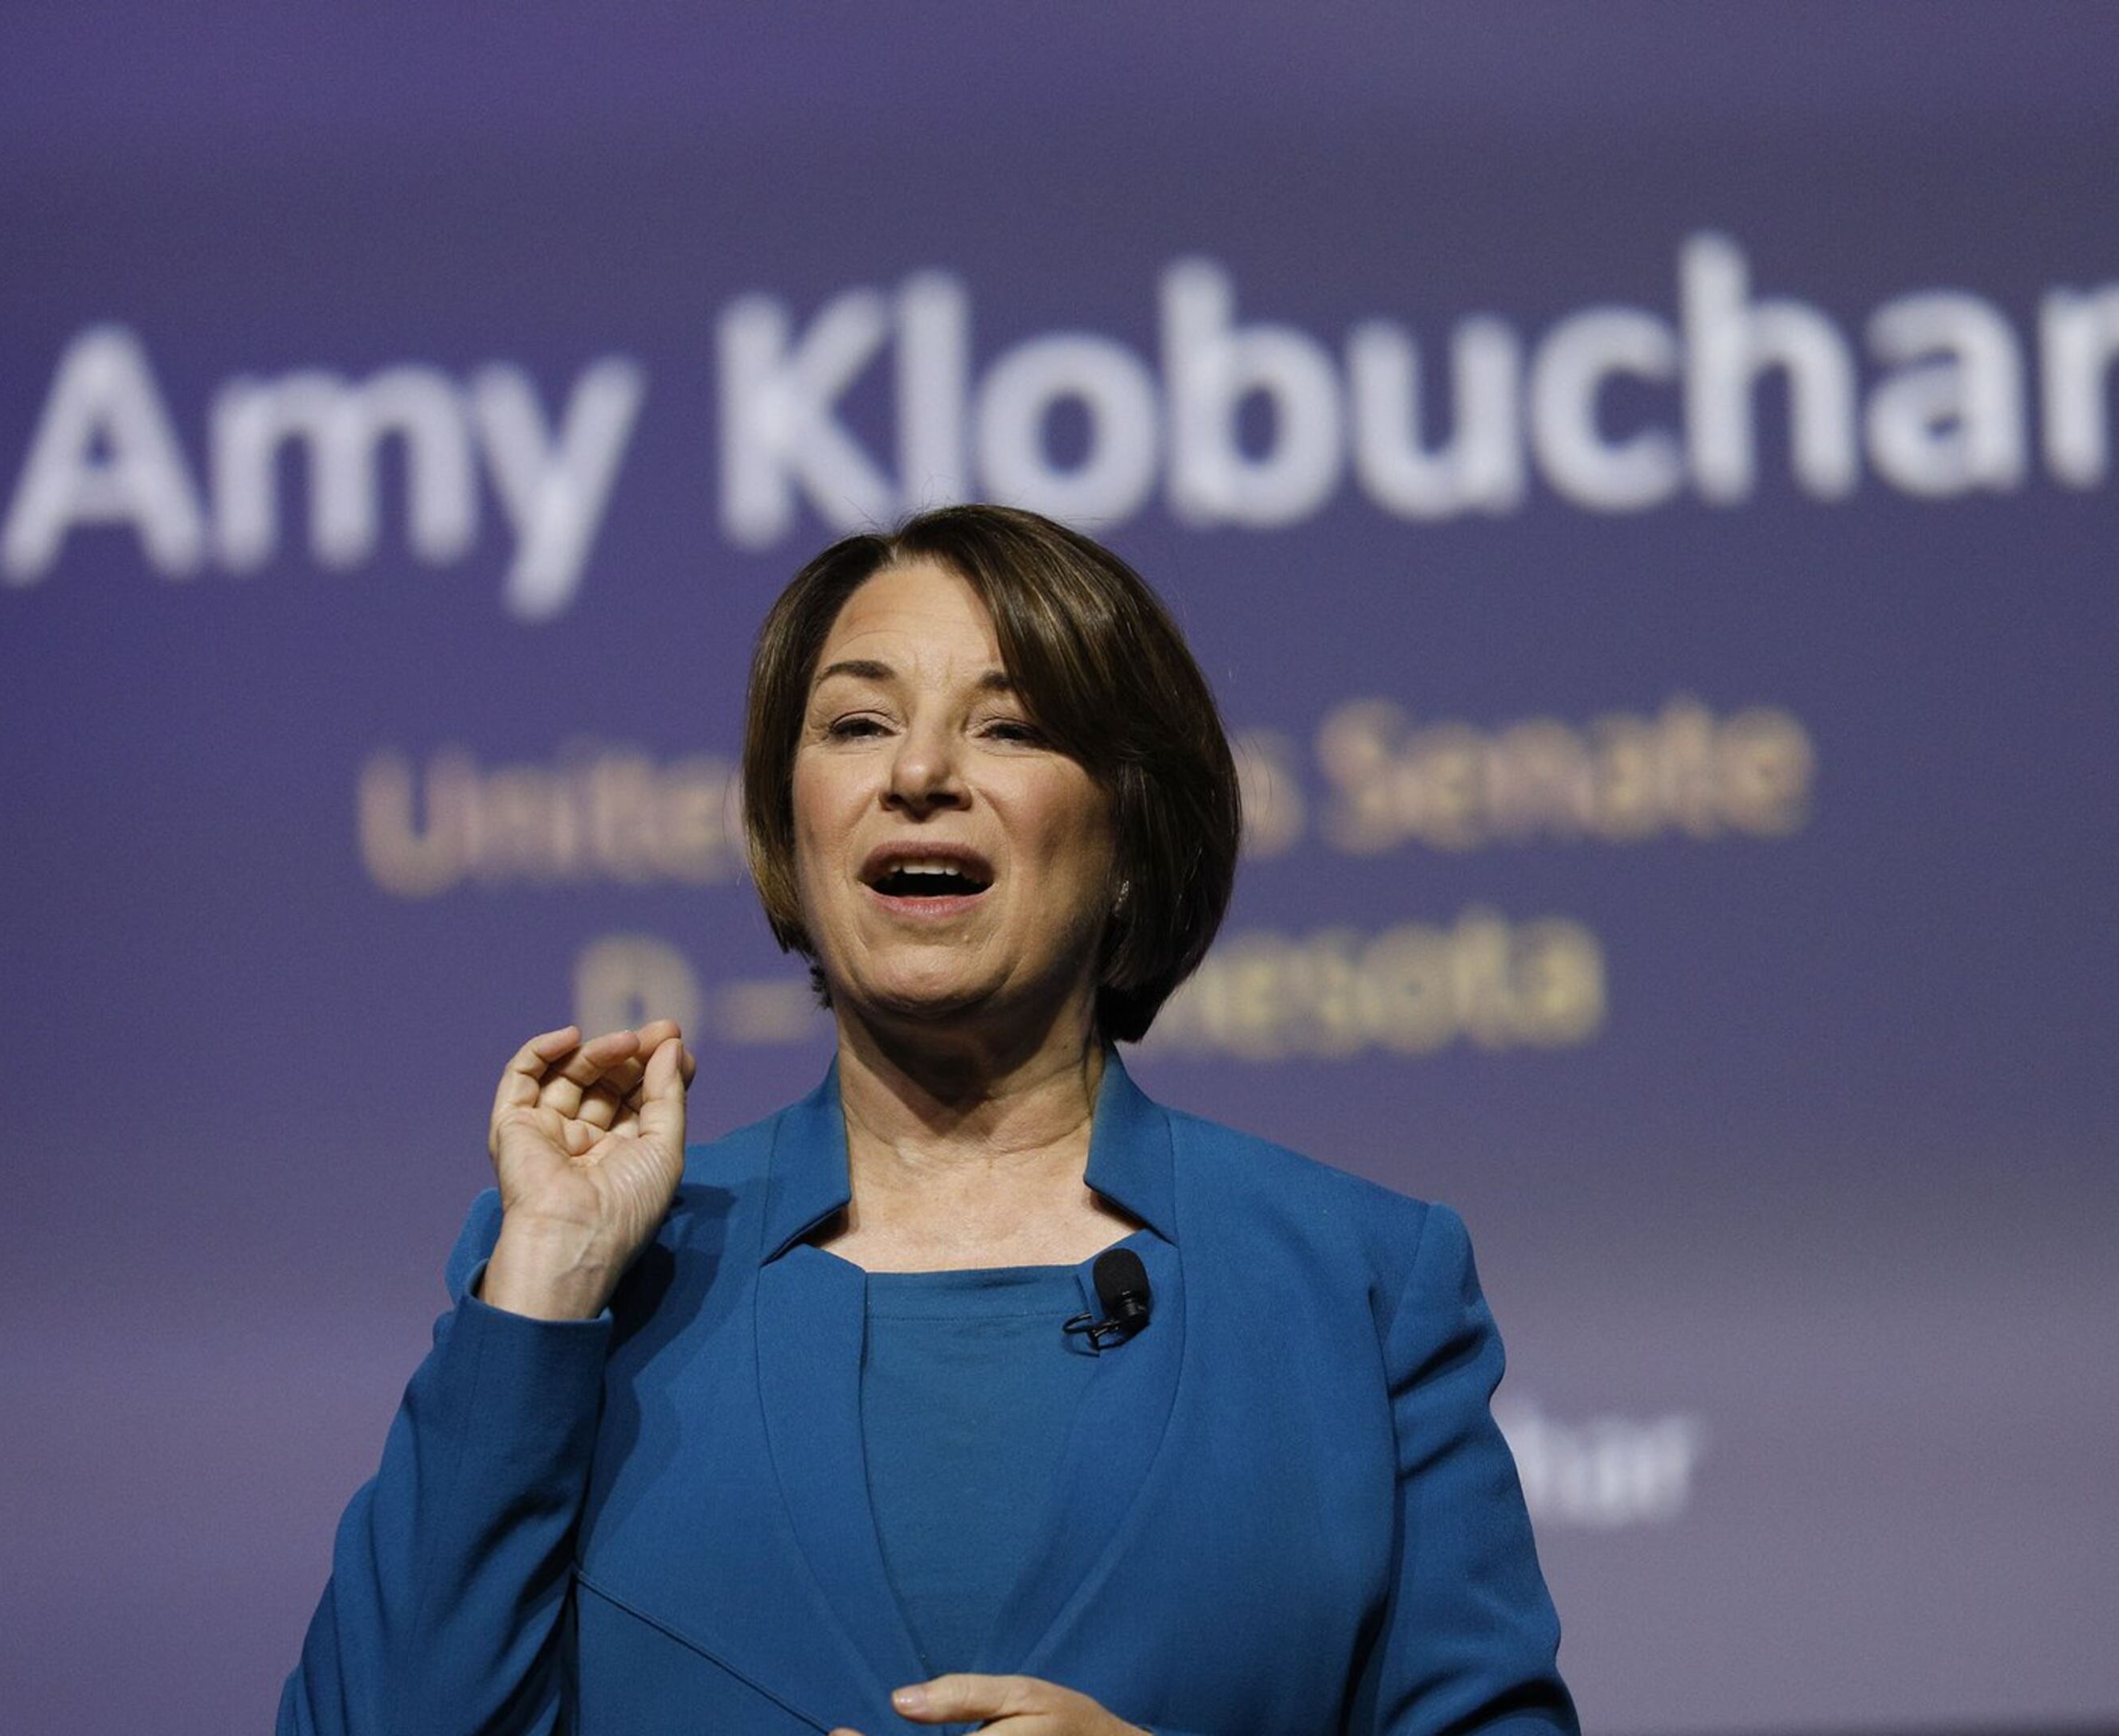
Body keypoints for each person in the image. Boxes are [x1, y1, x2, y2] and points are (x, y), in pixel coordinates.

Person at [279, 504, 1576, 1736]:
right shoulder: (595, 1281)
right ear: (791, 832)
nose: (916, 773)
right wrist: (548, 1283)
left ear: (1132, 832)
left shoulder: (1354, 1285)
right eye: (854, 725)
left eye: (1007, 728)